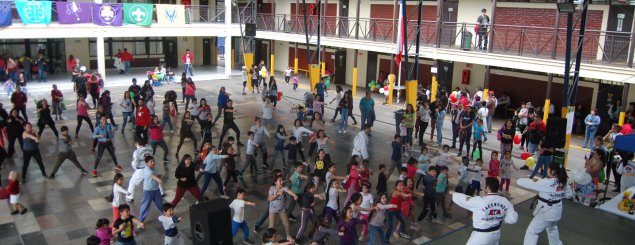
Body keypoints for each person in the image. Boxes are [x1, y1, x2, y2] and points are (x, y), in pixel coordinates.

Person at [452, 177, 518, 245]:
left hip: (480, 237)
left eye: (485, 186)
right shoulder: (505, 201)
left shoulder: (479, 201)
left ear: (488, 188)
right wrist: (499, 217)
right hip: (495, 234)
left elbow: (464, 200)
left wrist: (452, 193)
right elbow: (513, 219)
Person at [517, 164, 573, 245]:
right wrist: (557, 194)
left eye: (548, 169)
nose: (547, 170)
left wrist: (519, 180)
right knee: (552, 228)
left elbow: (531, 184)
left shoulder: (547, 182)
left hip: (546, 211)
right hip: (557, 211)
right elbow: (569, 195)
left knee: (532, 231)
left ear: (553, 171)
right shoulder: (564, 182)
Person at [127, 138, 164, 203]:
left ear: (138, 144)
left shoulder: (137, 152)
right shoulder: (150, 148)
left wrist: (136, 169)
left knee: (132, 182)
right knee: (155, 179)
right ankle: (161, 193)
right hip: (150, 168)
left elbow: (135, 163)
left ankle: (130, 197)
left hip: (141, 169)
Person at [268, 176, 299, 241]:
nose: (282, 182)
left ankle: (288, 236)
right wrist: (276, 194)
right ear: (275, 182)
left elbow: (289, 191)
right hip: (273, 209)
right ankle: (269, 239)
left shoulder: (284, 188)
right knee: (271, 226)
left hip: (281, 208)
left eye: (282, 180)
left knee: (287, 223)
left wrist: (294, 195)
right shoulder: (272, 188)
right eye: (280, 181)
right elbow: (269, 198)